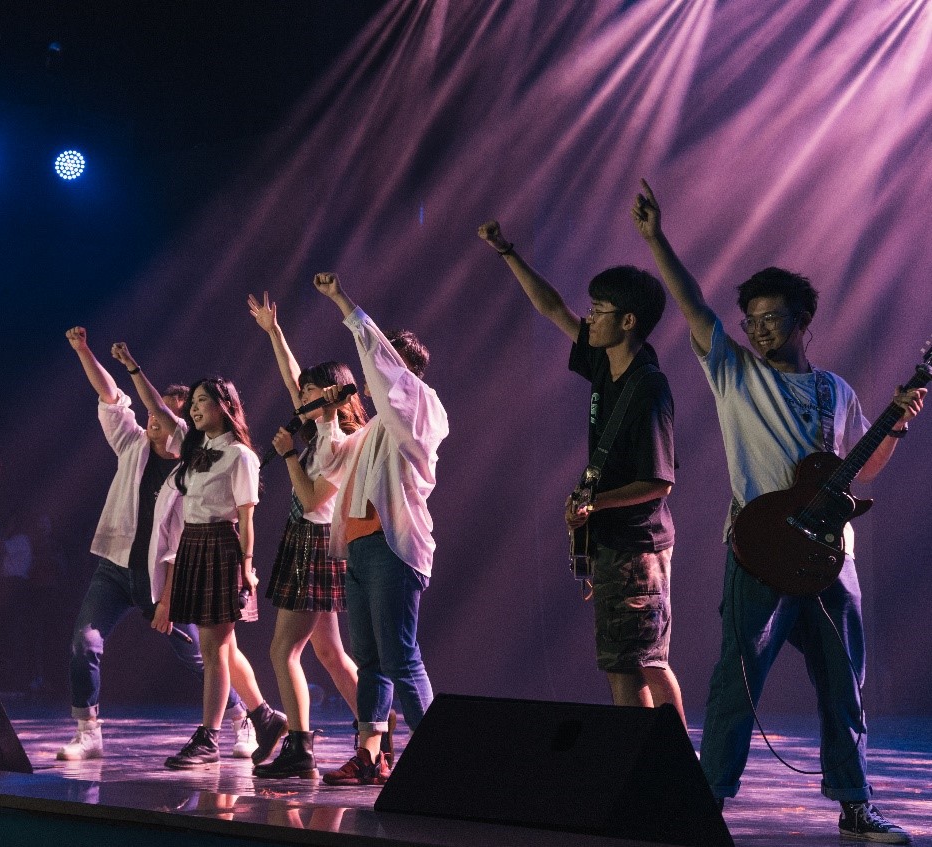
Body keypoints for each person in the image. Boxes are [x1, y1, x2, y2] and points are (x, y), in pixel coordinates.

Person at [633, 179, 922, 843]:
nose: (759, 328)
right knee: (737, 682)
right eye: (752, 320)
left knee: (844, 687)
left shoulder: (834, 391)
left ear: (802, 319)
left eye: (772, 317)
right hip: (759, 549)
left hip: (829, 557)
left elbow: (858, 469)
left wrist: (896, 425)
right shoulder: (736, 372)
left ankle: (854, 808)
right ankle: (705, 805)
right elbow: (693, 305)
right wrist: (655, 237)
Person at [477, 222, 686, 728]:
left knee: (632, 665)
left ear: (628, 320)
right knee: (641, 661)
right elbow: (553, 308)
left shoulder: (648, 387)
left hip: (638, 545)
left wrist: (598, 503)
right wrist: (508, 251)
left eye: (598, 310)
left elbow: (659, 482)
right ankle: (670, 766)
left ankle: (654, 767)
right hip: (618, 541)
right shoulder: (603, 362)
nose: (588, 317)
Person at [56, 328, 254, 761]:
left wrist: (166, 598)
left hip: (163, 575)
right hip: (115, 567)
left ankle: (242, 718)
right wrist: (84, 350)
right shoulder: (132, 445)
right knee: (84, 643)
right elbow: (111, 397)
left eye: (163, 414)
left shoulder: (194, 466)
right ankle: (88, 731)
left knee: (199, 656)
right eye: (151, 412)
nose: (152, 418)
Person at [311, 272, 449, 787]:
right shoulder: (372, 429)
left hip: (395, 550)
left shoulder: (423, 409)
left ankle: (436, 759)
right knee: (369, 660)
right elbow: (329, 465)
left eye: (387, 365)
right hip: (361, 548)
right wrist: (328, 417)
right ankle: (370, 756)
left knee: (400, 657)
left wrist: (344, 302)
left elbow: (388, 372)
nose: (376, 376)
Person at [246, 292, 363, 779]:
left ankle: (300, 748)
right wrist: (274, 332)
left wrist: (289, 455)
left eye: (313, 392)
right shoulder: (320, 428)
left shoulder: (338, 440)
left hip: (317, 544)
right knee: (329, 652)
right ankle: (376, 728)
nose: (301, 396)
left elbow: (314, 499)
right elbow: (294, 379)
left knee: (283, 650)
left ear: (331, 397)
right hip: (309, 542)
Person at [151, 370, 288, 770]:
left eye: (201, 402)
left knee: (213, 649)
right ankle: (265, 718)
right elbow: (158, 411)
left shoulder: (241, 455)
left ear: (225, 406)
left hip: (221, 547)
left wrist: (246, 566)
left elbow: (246, 517)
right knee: (224, 647)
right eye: (191, 403)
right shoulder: (196, 451)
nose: (193, 409)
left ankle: (209, 737)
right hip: (192, 545)